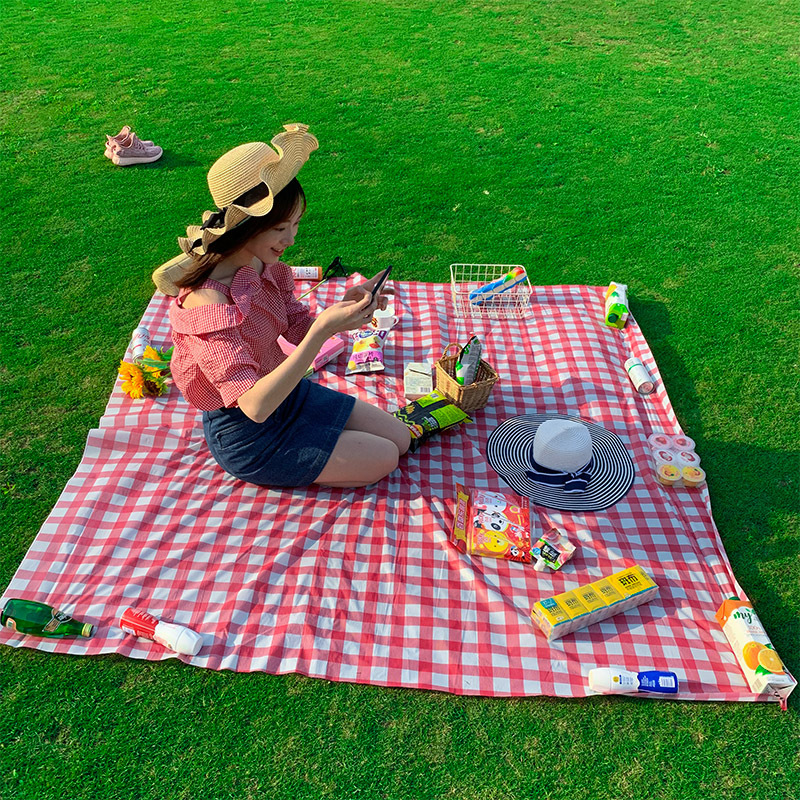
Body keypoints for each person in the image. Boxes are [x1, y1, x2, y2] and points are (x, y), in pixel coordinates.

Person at [162, 123, 411, 488]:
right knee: (385, 456)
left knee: (401, 438)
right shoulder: (207, 302)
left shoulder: (263, 264)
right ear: (247, 226)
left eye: (295, 225)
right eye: (281, 228)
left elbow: (295, 327)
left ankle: (320, 443)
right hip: (249, 434)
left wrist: (345, 311)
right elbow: (253, 406)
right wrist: (322, 331)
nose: (291, 239)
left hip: (288, 393)